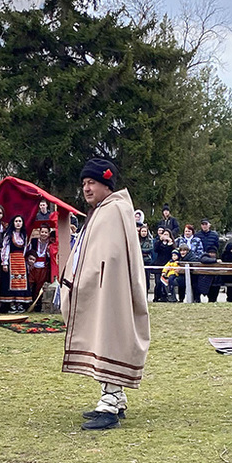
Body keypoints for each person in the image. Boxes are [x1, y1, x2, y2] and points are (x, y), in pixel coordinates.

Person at [59, 159, 149, 431]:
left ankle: (109, 405)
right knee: (103, 338)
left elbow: (110, 256)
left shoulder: (114, 210)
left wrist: (92, 280)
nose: (86, 189)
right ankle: (116, 398)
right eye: (84, 183)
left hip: (109, 290)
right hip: (100, 287)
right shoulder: (103, 210)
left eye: (92, 183)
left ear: (105, 184)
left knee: (109, 338)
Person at [26, 223, 53, 310]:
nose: (44, 234)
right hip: (33, 267)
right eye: (42, 232)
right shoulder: (34, 241)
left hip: (43, 268)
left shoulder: (50, 243)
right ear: (39, 232)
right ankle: (28, 302)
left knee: (39, 287)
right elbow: (29, 252)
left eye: (46, 232)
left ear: (48, 234)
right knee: (29, 285)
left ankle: (37, 304)